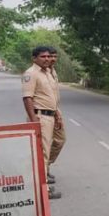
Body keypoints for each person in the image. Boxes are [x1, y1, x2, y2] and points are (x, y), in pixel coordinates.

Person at [22, 46, 62, 200]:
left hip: (50, 115)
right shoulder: (31, 74)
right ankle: (44, 190)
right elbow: (27, 98)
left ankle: (43, 179)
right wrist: (33, 121)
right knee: (43, 154)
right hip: (40, 117)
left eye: (48, 56)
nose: (47, 59)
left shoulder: (47, 73)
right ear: (34, 58)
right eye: (43, 57)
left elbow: (51, 96)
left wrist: (56, 113)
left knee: (53, 145)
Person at [46, 47, 66, 185]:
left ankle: (46, 166)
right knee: (44, 146)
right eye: (49, 56)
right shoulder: (42, 72)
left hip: (54, 111)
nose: (52, 59)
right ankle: (42, 175)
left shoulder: (53, 71)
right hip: (43, 114)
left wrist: (57, 112)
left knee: (60, 140)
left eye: (54, 56)